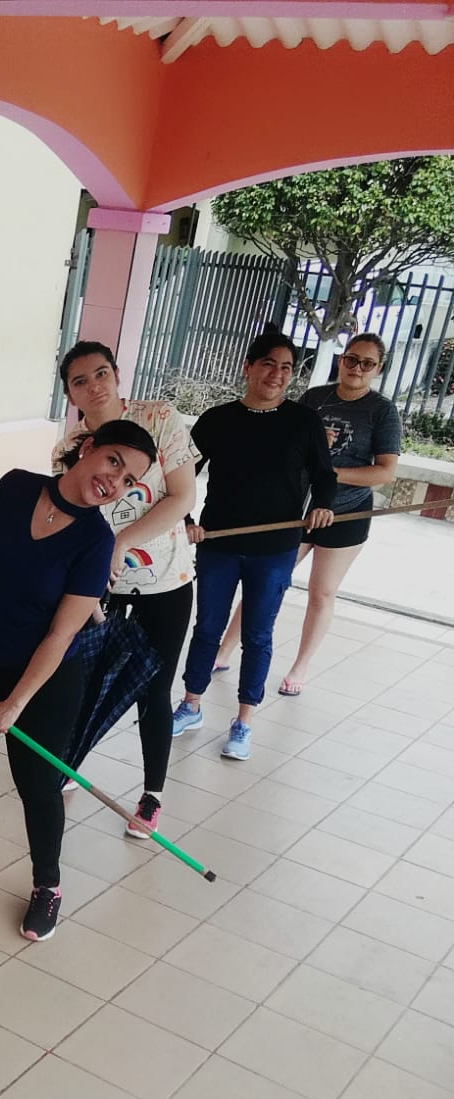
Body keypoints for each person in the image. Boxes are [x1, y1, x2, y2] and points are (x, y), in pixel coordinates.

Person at [0, 418, 157, 942]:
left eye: (129, 480)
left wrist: (14, 703)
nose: (115, 481)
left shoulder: (96, 542)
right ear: (89, 447)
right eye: (114, 461)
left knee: (37, 786)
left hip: (47, 681)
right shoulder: (14, 487)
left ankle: (47, 886)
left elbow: (60, 635)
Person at [172, 330, 337, 760]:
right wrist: (186, 520)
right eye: (268, 364)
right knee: (207, 627)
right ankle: (191, 705)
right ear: (248, 367)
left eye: (286, 368)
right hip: (219, 543)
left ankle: (244, 721)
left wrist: (322, 506)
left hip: (275, 548)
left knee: (258, 635)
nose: (277, 374)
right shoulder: (218, 419)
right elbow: (182, 475)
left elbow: (325, 475)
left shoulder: (304, 422)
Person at [55, 340, 197, 840]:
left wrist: (121, 542)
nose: (94, 386)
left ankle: (152, 794)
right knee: (82, 680)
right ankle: (67, 763)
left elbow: (182, 496)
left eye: (101, 373)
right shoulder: (71, 446)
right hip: (100, 587)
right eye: (80, 381)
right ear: (69, 393)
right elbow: (71, 514)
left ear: (116, 374)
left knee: (153, 690)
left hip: (166, 584)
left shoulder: (160, 419)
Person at [211, 331, 401, 694]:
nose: (357, 368)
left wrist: (326, 470)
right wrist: (309, 448)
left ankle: (299, 669)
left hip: (346, 513)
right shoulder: (315, 398)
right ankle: (224, 650)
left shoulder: (382, 410)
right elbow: (283, 442)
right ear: (341, 360)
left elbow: (384, 472)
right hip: (296, 509)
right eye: (351, 359)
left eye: (367, 363)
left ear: (378, 369)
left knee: (321, 593)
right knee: (266, 582)